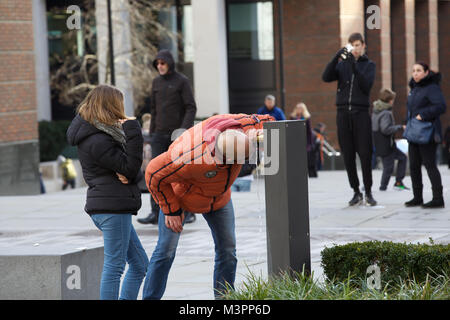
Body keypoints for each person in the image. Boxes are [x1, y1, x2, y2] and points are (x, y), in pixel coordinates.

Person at [142, 113, 274, 300]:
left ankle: (224, 298)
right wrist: (170, 209)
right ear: (223, 157)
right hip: (181, 198)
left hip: (219, 198)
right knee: (165, 251)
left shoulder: (243, 127)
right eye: (238, 160)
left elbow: (270, 121)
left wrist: (267, 136)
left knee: (228, 250)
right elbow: (153, 173)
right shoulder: (188, 155)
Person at [67, 84, 149, 299]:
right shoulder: (98, 139)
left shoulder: (100, 133)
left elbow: (131, 171)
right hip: (112, 207)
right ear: (111, 106)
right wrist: (133, 130)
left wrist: (129, 174)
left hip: (112, 204)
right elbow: (131, 167)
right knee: (115, 268)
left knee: (140, 264)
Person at [138, 49, 197, 225]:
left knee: (179, 173)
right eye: (157, 63)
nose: (159, 66)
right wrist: (151, 133)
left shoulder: (182, 81)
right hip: (158, 135)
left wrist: (183, 130)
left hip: (176, 136)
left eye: (162, 63)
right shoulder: (156, 82)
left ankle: (187, 212)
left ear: (169, 63)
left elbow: (191, 107)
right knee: (154, 173)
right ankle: (156, 212)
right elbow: (154, 110)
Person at [322, 32, 377, 206]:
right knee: (348, 154)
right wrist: (336, 57)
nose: (355, 48)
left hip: (361, 114)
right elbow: (326, 77)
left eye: (358, 45)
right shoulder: (342, 65)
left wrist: (354, 65)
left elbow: (365, 86)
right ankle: (356, 191)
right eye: (352, 45)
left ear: (363, 46)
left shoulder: (369, 65)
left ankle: (368, 191)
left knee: (365, 153)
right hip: (343, 113)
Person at [404, 62, 446, 208]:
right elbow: (410, 109)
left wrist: (423, 114)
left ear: (426, 73)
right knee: (414, 166)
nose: (415, 73)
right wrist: (407, 122)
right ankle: (417, 197)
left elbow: (441, 106)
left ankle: (438, 198)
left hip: (428, 132)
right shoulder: (414, 89)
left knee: (429, 165)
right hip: (414, 132)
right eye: (413, 71)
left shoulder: (432, 88)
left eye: (419, 70)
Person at [371, 88, 409, 191]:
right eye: (392, 99)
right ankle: (384, 187)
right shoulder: (386, 113)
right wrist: (400, 127)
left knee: (401, 158)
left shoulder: (376, 111)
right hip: (386, 143)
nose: (393, 101)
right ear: (389, 100)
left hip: (380, 143)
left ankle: (398, 182)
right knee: (389, 167)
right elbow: (385, 129)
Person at [289, 102, 317, 177]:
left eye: (300, 108)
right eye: (297, 108)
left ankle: (309, 173)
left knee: (307, 157)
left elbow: (309, 131)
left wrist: (311, 143)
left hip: (305, 140)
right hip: (295, 140)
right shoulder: (292, 117)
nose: (299, 110)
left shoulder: (307, 118)